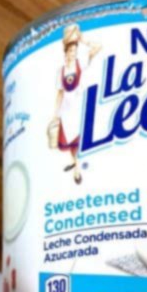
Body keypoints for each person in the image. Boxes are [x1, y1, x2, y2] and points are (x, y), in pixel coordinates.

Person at [52, 24, 101, 184]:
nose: (73, 53)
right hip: (66, 110)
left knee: (80, 140)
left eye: (75, 51)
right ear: (65, 52)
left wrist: (82, 39)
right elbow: (60, 93)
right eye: (70, 51)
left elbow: (98, 47)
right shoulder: (60, 71)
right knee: (70, 141)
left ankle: (77, 168)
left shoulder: (82, 62)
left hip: (79, 107)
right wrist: (55, 114)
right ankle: (77, 165)